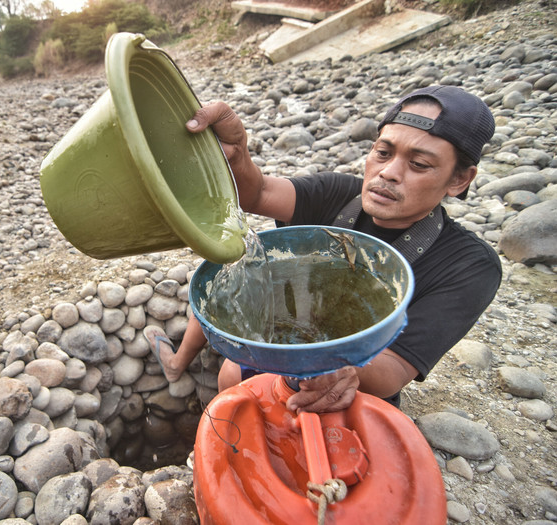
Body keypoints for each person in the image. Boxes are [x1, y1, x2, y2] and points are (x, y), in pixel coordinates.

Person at [144, 85, 501, 414]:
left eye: (419, 164)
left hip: (349, 390)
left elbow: (394, 367)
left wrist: (333, 367)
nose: (388, 173)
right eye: (382, 152)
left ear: (459, 179)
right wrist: (236, 154)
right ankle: (182, 370)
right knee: (231, 300)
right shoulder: (339, 194)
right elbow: (259, 193)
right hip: (280, 338)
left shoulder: (469, 265)